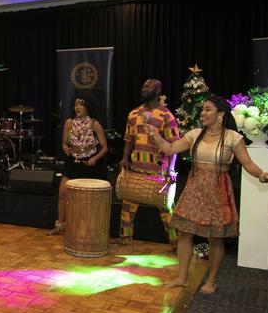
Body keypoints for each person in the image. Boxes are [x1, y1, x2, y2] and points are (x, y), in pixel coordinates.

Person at [146, 95, 268, 294]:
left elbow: (248, 164)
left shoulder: (232, 138)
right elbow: (170, 149)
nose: (203, 113)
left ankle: (211, 280)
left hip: (218, 191)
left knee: (215, 238)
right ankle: (182, 277)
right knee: (185, 233)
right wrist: (155, 134)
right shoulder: (194, 134)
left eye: (208, 109)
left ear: (220, 114)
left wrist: (262, 174)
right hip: (194, 189)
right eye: (202, 109)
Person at [119, 79, 179, 248]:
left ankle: (177, 244)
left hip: (158, 172)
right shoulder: (134, 114)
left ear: (158, 90)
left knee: (167, 210)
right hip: (136, 169)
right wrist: (125, 158)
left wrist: (171, 169)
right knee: (127, 208)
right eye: (143, 86)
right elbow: (128, 140)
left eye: (148, 86)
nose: (144, 89)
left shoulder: (167, 116)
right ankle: (125, 240)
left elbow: (174, 145)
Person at [46, 96, 108, 235]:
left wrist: (94, 158)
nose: (77, 108)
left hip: (88, 164)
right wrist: (65, 147)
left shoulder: (94, 124)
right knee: (62, 193)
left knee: (85, 199)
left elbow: (104, 148)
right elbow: (65, 142)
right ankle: (60, 224)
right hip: (72, 162)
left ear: (87, 107)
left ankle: (85, 228)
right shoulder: (69, 123)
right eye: (75, 105)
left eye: (80, 105)